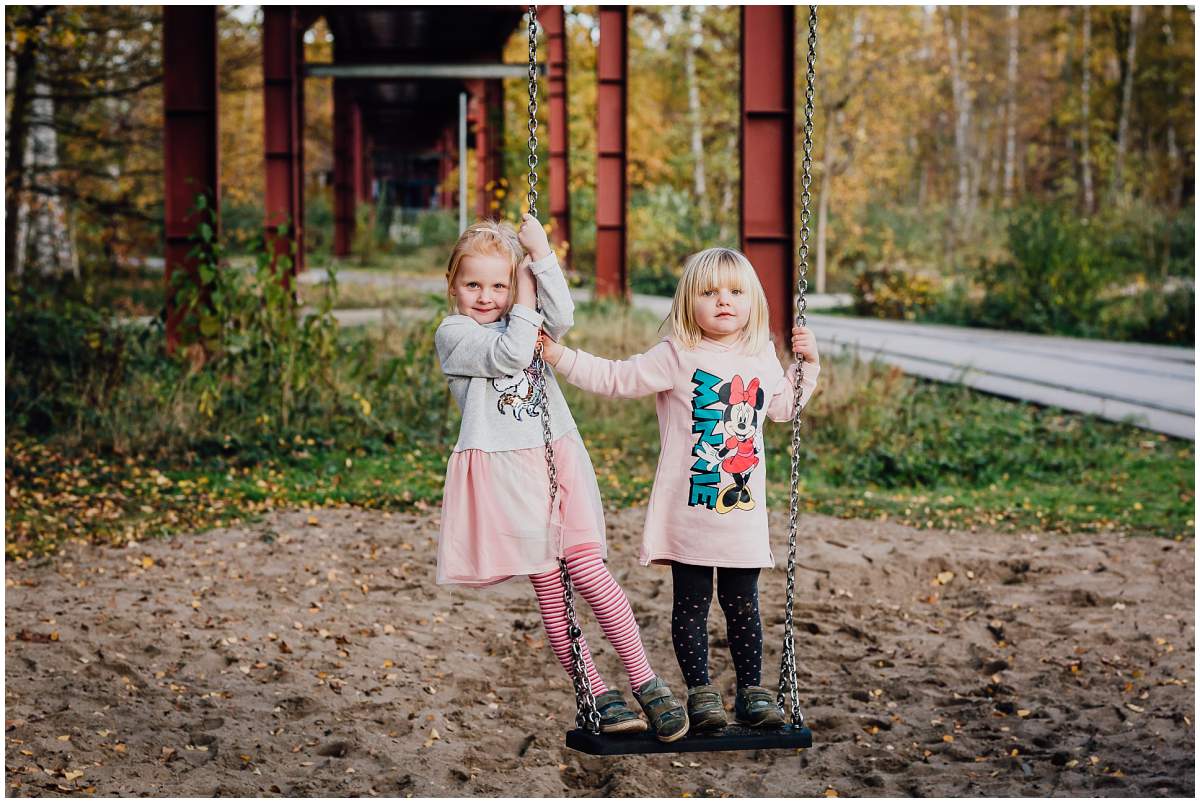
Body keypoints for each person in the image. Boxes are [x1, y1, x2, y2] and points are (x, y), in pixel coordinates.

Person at [538, 246, 820, 732]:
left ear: (752, 301)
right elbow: (617, 378)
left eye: (735, 292)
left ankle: (753, 693)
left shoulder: (760, 357)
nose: (724, 301)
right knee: (690, 605)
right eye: (710, 293)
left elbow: (782, 407)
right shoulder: (677, 355)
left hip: (742, 514)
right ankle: (701, 694)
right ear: (689, 302)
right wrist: (558, 355)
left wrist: (808, 364)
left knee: (743, 605)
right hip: (689, 513)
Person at [433, 215, 688, 742]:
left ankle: (646, 681)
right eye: (473, 284)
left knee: (591, 572)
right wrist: (523, 297)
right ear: (452, 286)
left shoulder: (522, 315)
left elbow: (564, 315)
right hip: (508, 474)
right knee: (551, 589)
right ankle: (596, 693)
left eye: (499, 284)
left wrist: (540, 258)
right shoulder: (454, 334)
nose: (487, 296)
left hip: (558, 456)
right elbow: (509, 355)